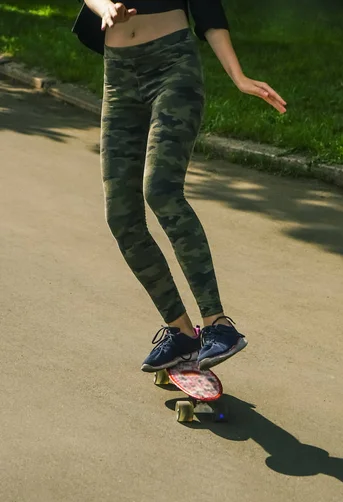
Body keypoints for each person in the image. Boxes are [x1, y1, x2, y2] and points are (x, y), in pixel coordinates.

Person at [72, 1, 287, 372]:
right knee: (121, 216)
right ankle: (182, 333)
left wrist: (238, 76)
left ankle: (219, 326)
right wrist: (104, 6)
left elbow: (207, 7)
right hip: (119, 75)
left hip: (172, 66)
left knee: (160, 189)